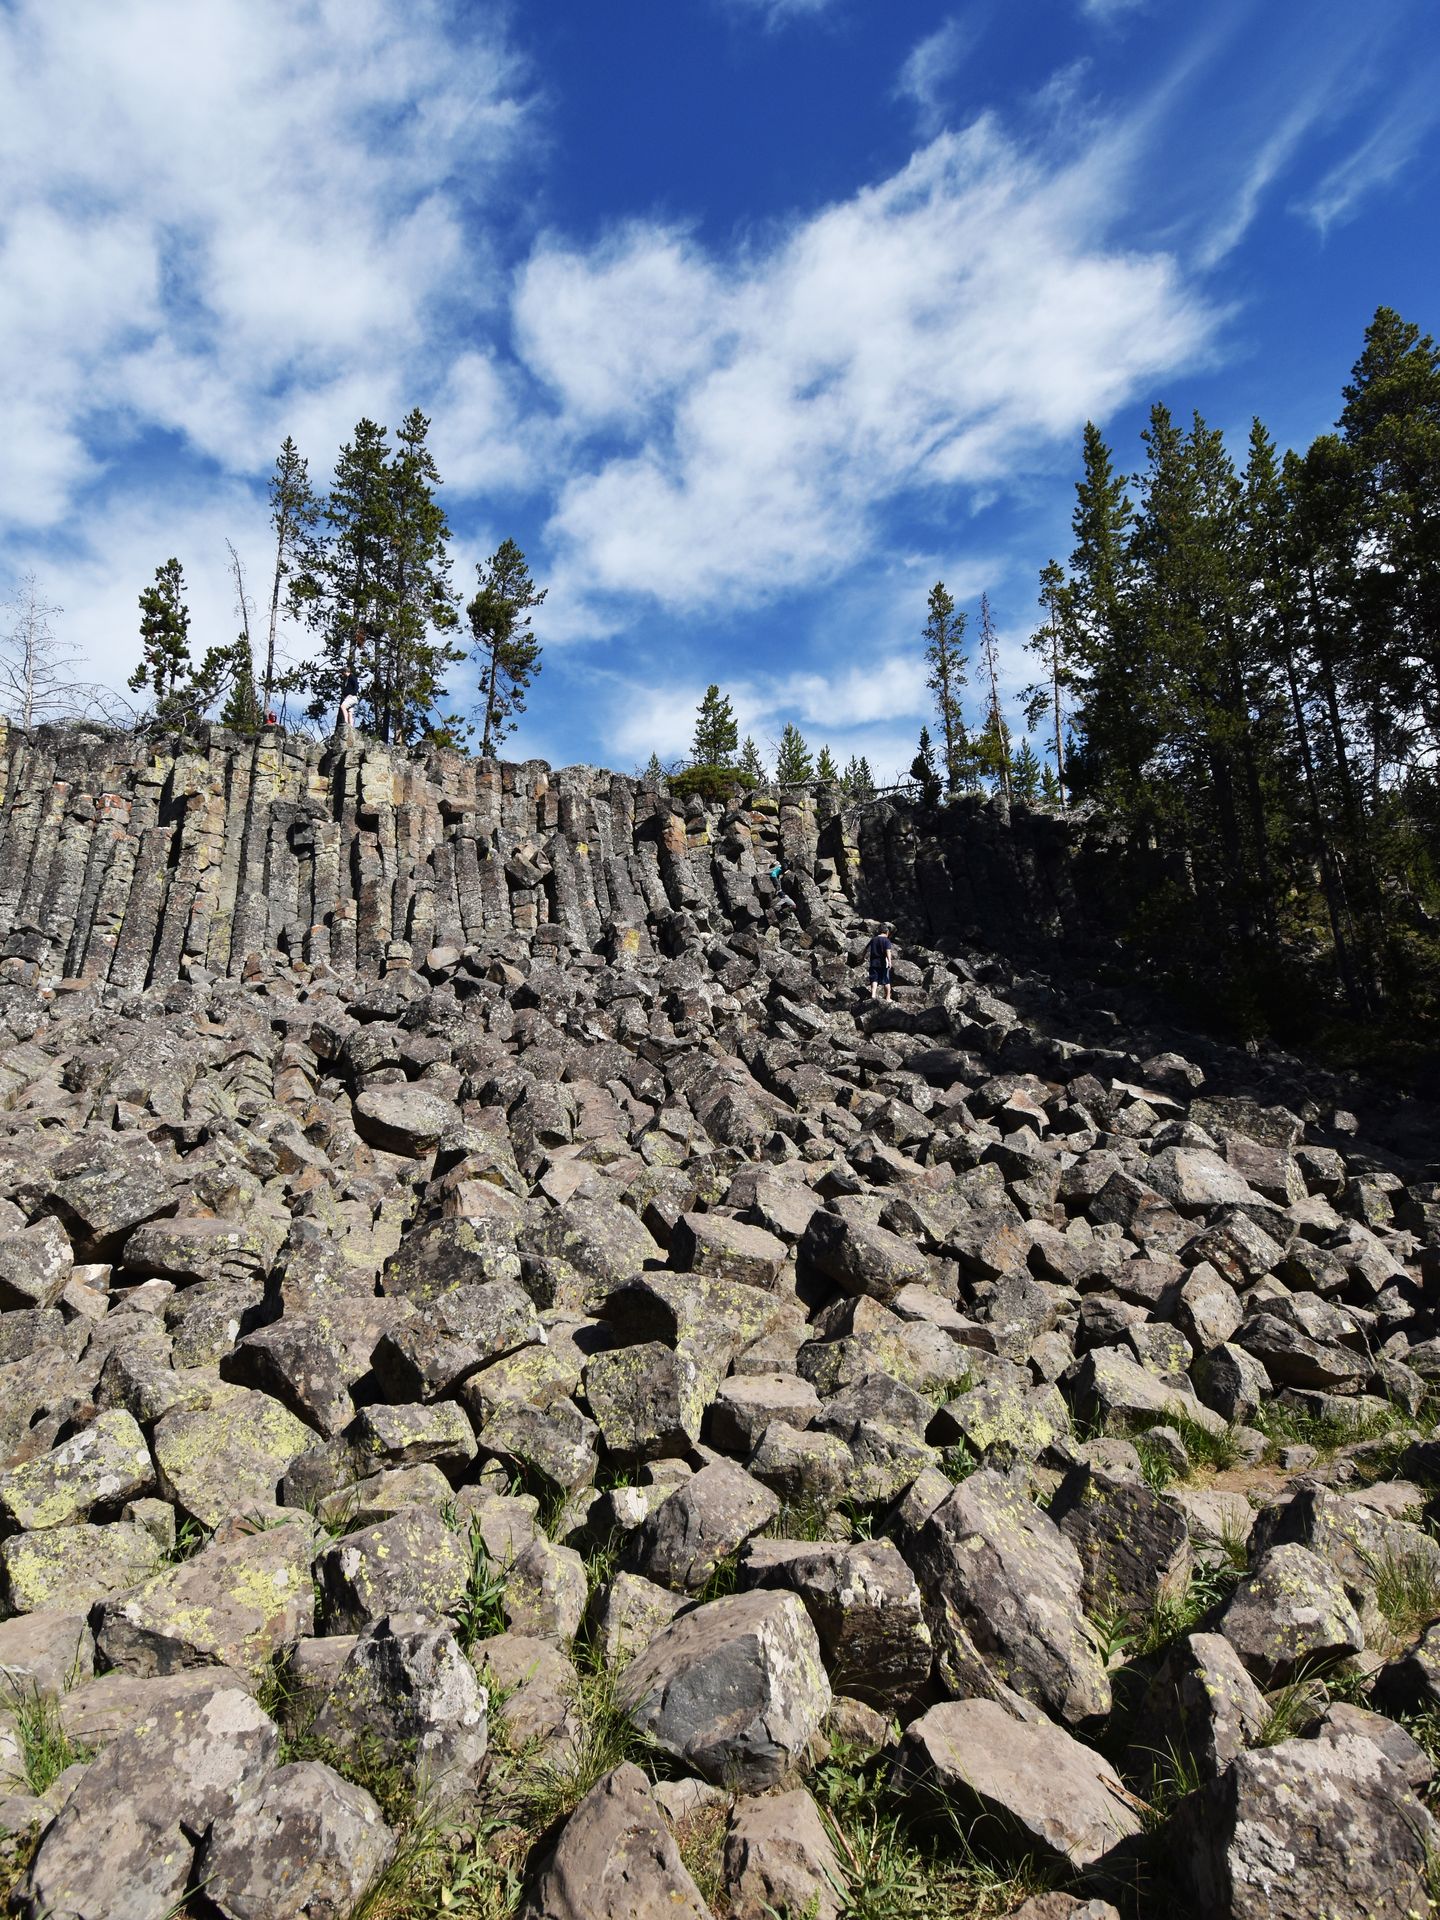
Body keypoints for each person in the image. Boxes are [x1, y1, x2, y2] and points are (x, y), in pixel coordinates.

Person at [867, 923, 894, 1001]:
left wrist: (862, 958)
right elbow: (888, 951)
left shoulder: (874, 939)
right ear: (887, 932)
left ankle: (873, 995)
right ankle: (888, 997)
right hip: (883, 963)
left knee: (874, 979)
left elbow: (866, 949)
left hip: (873, 962)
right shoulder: (886, 940)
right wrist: (889, 961)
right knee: (886, 981)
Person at [338, 668, 359, 735]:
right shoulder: (346, 679)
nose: (342, 674)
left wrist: (352, 694)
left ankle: (346, 723)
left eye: (342, 673)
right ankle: (351, 727)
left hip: (352, 697)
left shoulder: (352, 677)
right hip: (350, 698)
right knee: (350, 712)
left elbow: (356, 686)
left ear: (345, 672)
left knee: (343, 706)